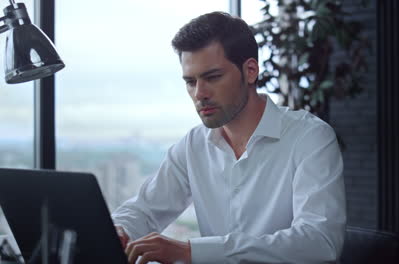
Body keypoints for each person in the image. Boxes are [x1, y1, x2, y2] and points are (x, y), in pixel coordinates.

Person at [112, 11, 346, 264]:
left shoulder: (309, 138)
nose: (199, 93)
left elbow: (319, 242)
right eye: (190, 81)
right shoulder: (193, 145)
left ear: (250, 71)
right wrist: (119, 230)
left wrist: (191, 252)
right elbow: (144, 210)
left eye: (213, 77)